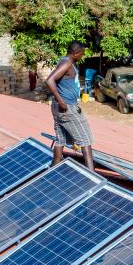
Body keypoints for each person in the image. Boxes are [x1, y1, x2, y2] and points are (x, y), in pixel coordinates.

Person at [45, 41, 95, 170]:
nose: (82, 56)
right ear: (76, 52)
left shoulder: (68, 62)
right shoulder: (67, 63)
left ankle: (54, 166)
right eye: (82, 54)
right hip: (66, 107)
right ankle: (92, 175)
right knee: (86, 140)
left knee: (60, 139)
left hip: (61, 107)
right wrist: (61, 101)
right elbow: (50, 80)